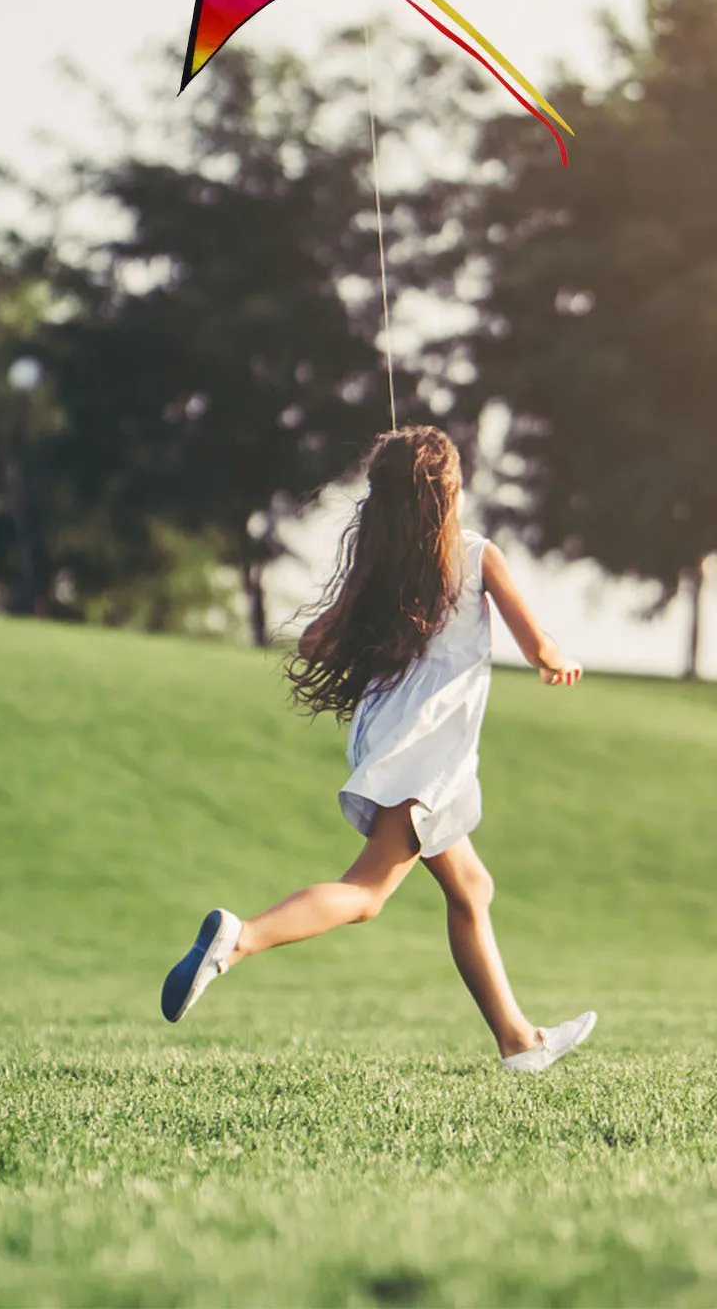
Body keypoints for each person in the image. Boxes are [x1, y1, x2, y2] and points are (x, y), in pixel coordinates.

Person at [161, 425, 594, 1072]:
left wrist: (378, 626)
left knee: (471, 888)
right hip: (427, 755)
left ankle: (518, 1041)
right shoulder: (477, 555)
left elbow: (315, 642)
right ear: (448, 496)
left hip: (392, 741)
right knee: (365, 894)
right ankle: (240, 938)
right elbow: (537, 646)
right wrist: (557, 660)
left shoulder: (383, 574)